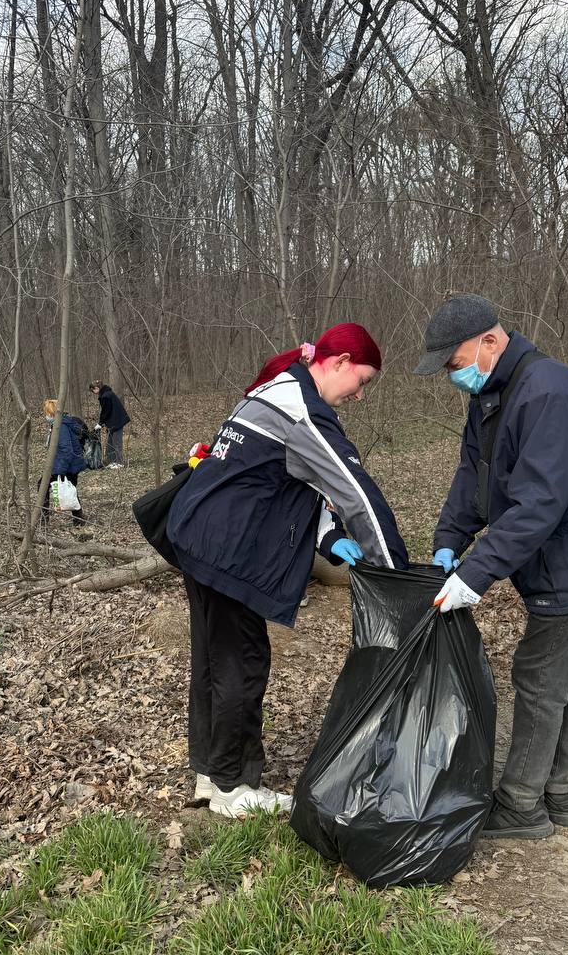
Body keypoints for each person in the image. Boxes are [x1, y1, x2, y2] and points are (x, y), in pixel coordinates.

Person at [414, 295, 568, 839]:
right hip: (552, 555)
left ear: (491, 341)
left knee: (539, 675)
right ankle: (561, 792)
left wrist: (475, 573)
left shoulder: (550, 392)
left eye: (454, 359)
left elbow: (541, 501)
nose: (452, 372)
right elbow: (474, 474)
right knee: (567, 671)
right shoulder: (491, 394)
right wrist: (450, 540)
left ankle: (521, 804)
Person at [167, 323, 408, 819]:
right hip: (226, 550)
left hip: (199, 535)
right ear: (337, 362)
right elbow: (357, 495)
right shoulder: (303, 411)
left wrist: (327, 538)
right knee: (242, 662)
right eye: (361, 381)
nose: (360, 396)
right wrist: (398, 577)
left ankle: (213, 775)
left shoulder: (277, 390)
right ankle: (235, 788)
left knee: (215, 661)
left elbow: (288, 483)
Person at [41, 399, 88, 525]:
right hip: (70, 465)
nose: (46, 416)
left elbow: (66, 450)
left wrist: (58, 471)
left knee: (42, 485)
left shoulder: (61, 426)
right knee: (71, 489)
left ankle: (43, 521)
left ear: (52, 413)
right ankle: (79, 520)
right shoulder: (62, 423)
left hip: (67, 466)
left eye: (47, 413)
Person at [89, 380, 130, 469]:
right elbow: (106, 411)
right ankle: (113, 461)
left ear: (96, 388)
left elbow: (105, 412)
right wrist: (102, 423)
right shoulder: (107, 393)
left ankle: (120, 462)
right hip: (113, 421)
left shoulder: (106, 396)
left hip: (117, 421)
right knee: (111, 441)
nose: (93, 393)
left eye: (93, 391)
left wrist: (100, 423)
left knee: (116, 442)